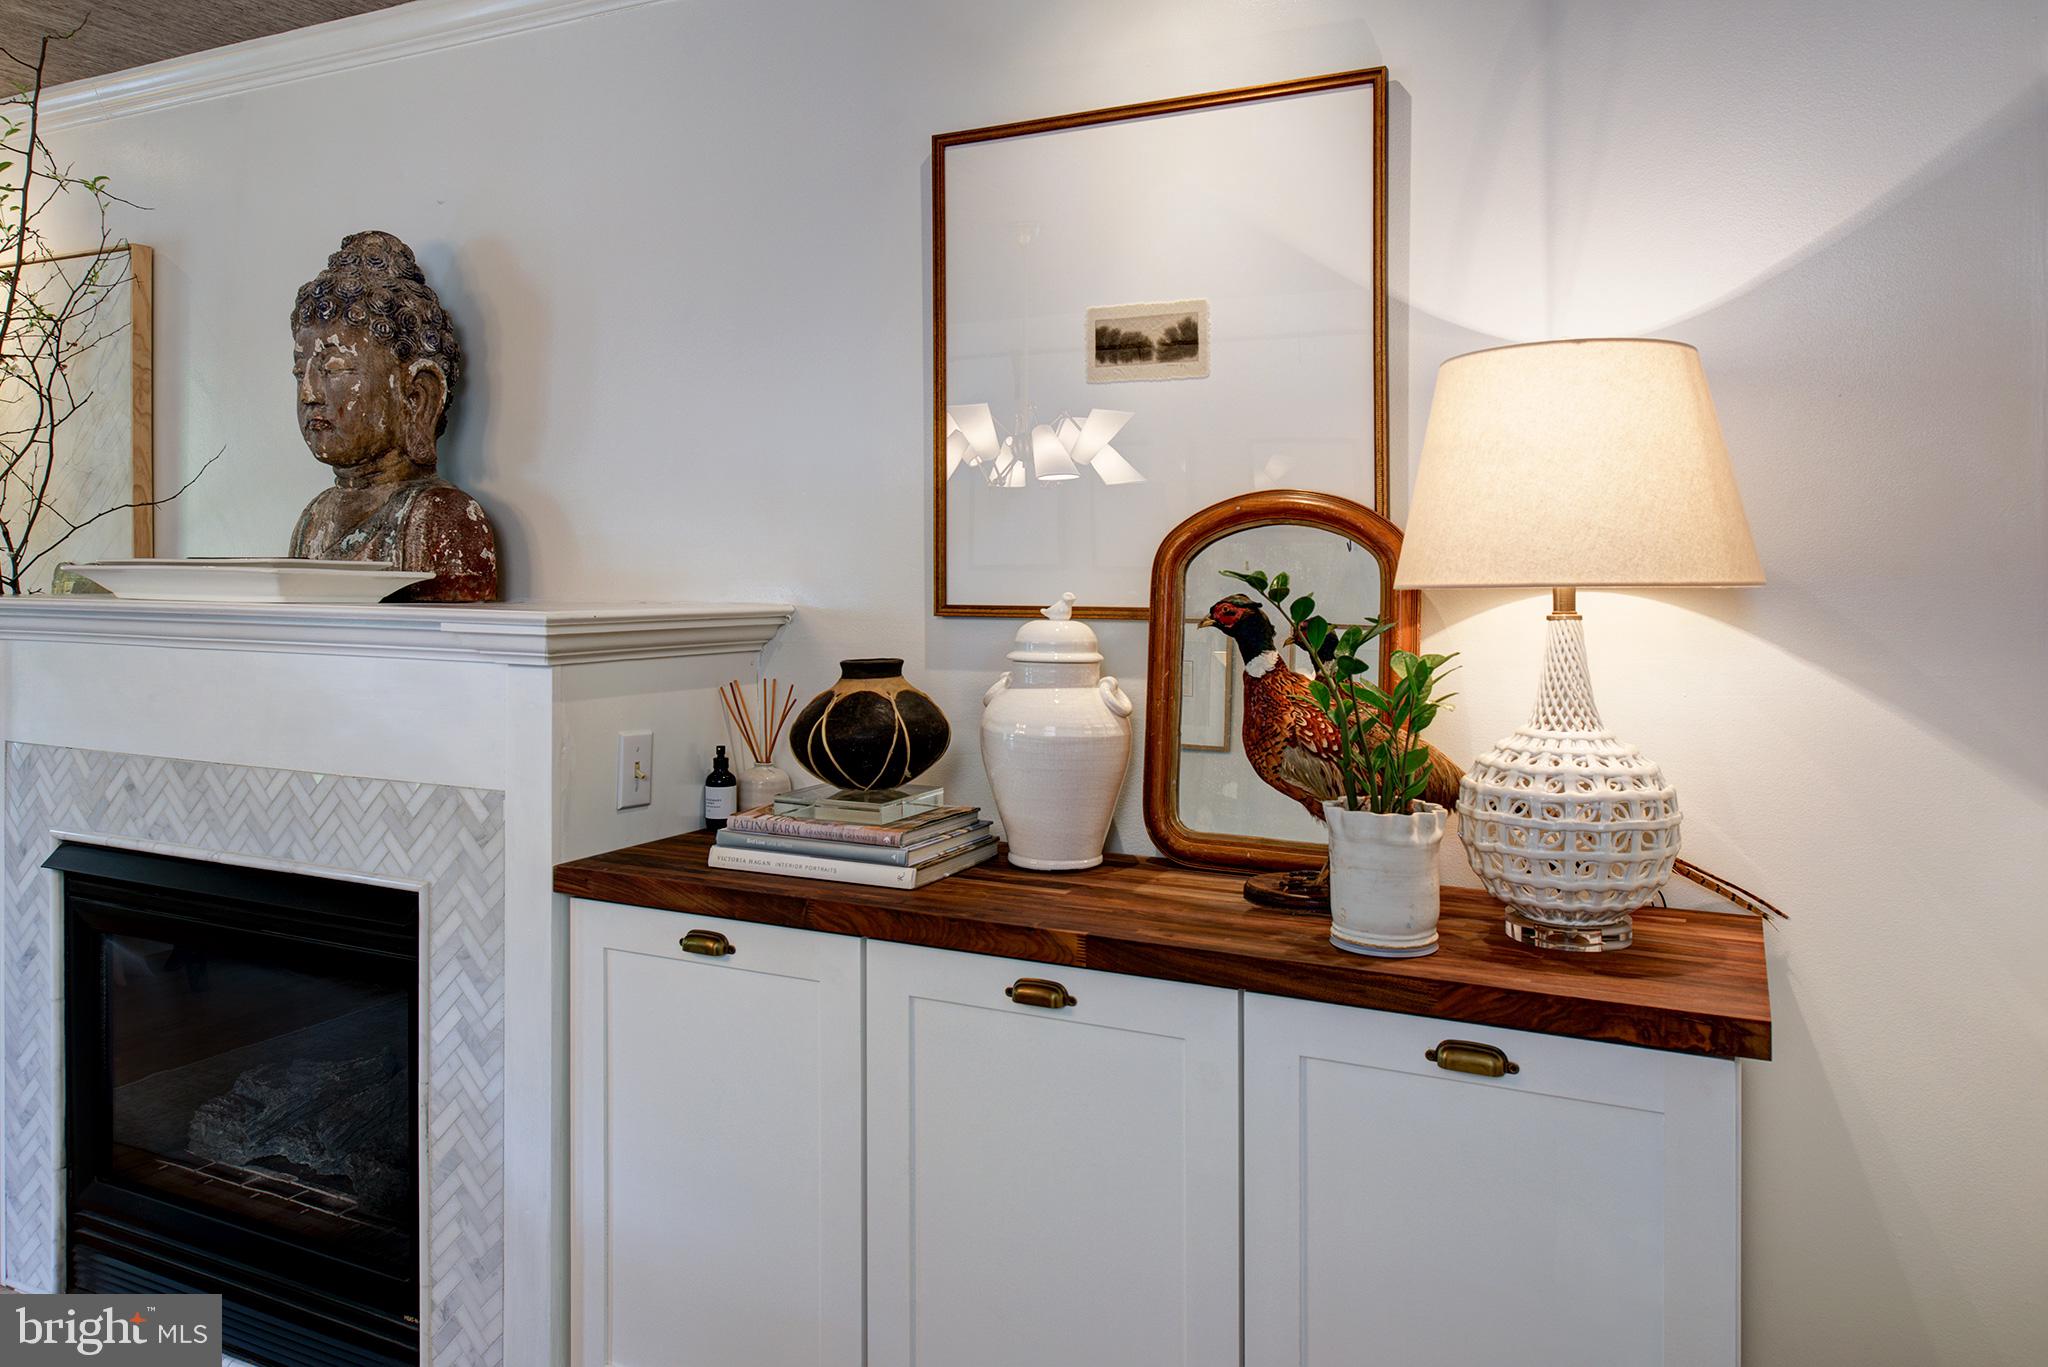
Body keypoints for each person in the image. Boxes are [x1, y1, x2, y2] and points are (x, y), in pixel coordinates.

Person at [287, 230, 499, 601]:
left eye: (334, 369)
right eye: (299, 372)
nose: (309, 393)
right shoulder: (314, 517)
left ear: (417, 396)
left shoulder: (438, 519)